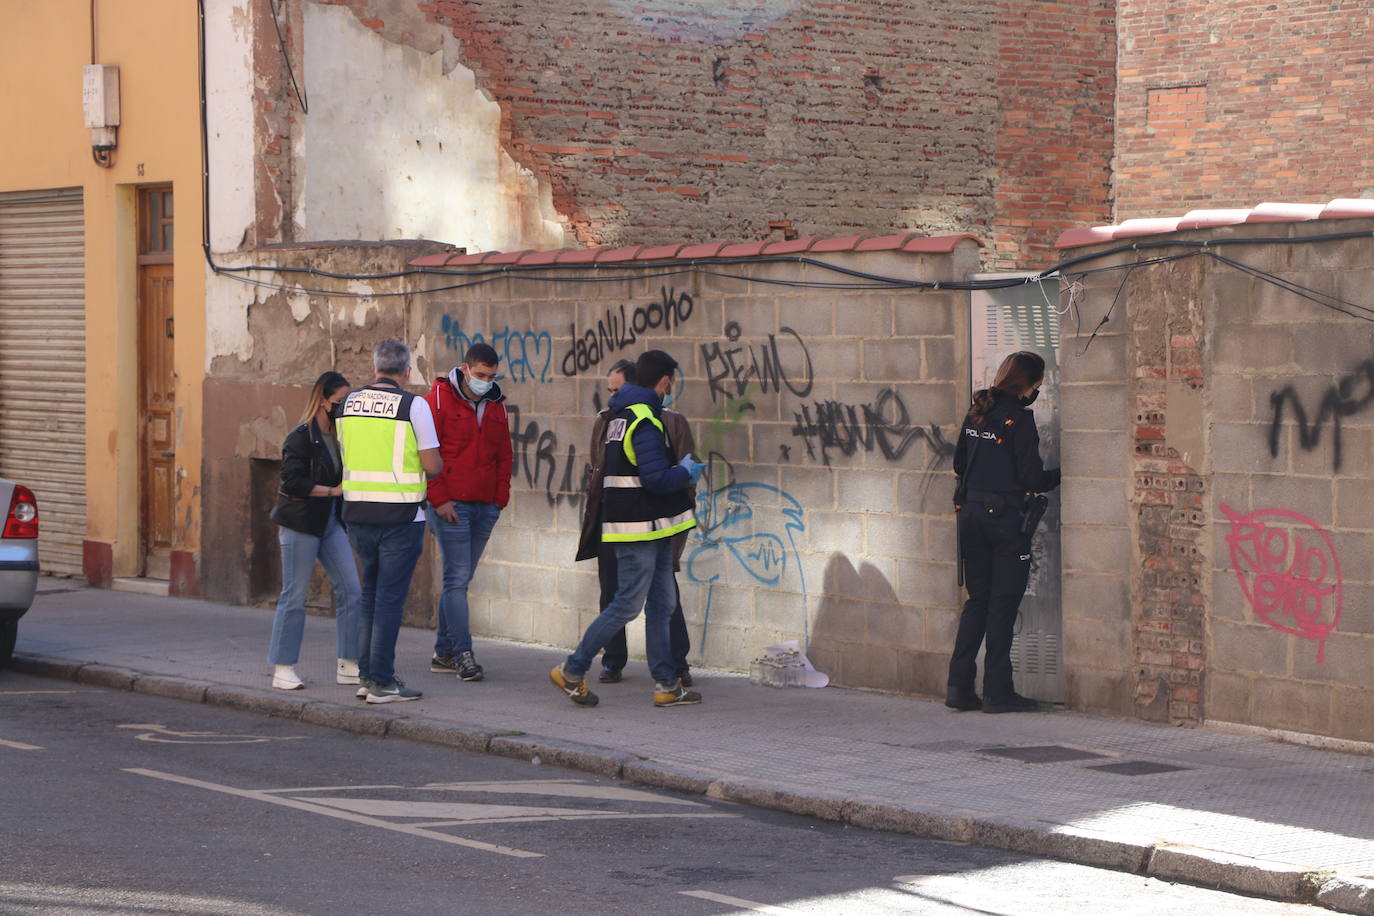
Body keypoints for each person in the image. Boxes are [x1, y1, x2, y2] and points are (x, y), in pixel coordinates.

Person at [552, 349, 705, 708]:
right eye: (672, 382)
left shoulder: (621, 417)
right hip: (638, 530)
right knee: (625, 607)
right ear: (664, 381)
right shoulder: (645, 421)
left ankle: (667, 684)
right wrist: (685, 471)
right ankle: (572, 671)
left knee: (662, 605)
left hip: (648, 530)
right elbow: (654, 479)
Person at [947, 350, 1061, 714]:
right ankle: (998, 691)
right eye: (1039, 384)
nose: (1038, 391)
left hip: (971, 516)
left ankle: (958, 688)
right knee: (1002, 604)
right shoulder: (1019, 419)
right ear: (1028, 385)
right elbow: (1030, 477)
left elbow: (959, 463)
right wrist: (1060, 475)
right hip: (1005, 521)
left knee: (977, 602)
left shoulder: (977, 411)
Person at [336, 339, 443, 704]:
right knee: (389, 601)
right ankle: (382, 680)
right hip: (401, 516)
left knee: (370, 595)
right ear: (407, 371)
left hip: (358, 514)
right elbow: (432, 465)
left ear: (374, 368)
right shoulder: (415, 406)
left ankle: (367, 676)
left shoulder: (349, 403)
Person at [266, 371, 363, 691]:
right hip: (300, 524)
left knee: (351, 589)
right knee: (294, 596)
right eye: (341, 401)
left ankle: (349, 663)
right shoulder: (300, 437)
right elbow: (291, 481)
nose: (345, 407)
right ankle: (283, 668)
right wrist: (332, 492)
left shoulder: (340, 436)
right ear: (323, 400)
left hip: (329, 523)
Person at [425, 342, 513, 682]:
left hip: (484, 505)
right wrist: (440, 499)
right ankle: (462, 653)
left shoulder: (496, 405)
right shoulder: (437, 399)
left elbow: (504, 453)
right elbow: (428, 452)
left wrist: (499, 499)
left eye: (491, 376)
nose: (485, 381)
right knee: (457, 580)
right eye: (479, 375)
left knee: (459, 580)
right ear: (465, 368)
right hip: (452, 505)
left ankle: (443, 652)